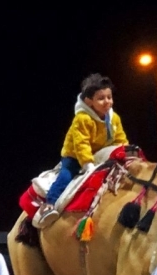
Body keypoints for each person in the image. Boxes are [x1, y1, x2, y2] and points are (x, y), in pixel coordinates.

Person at [33, 73, 129, 229]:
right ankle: (49, 204)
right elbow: (81, 143)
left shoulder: (114, 118)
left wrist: (125, 152)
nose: (107, 102)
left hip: (101, 155)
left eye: (109, 97)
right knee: (65, 176)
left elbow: (120, 138)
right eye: (101, 98)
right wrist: (87, 163)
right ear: (88, 101)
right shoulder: (82, 119)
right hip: (76, 157)